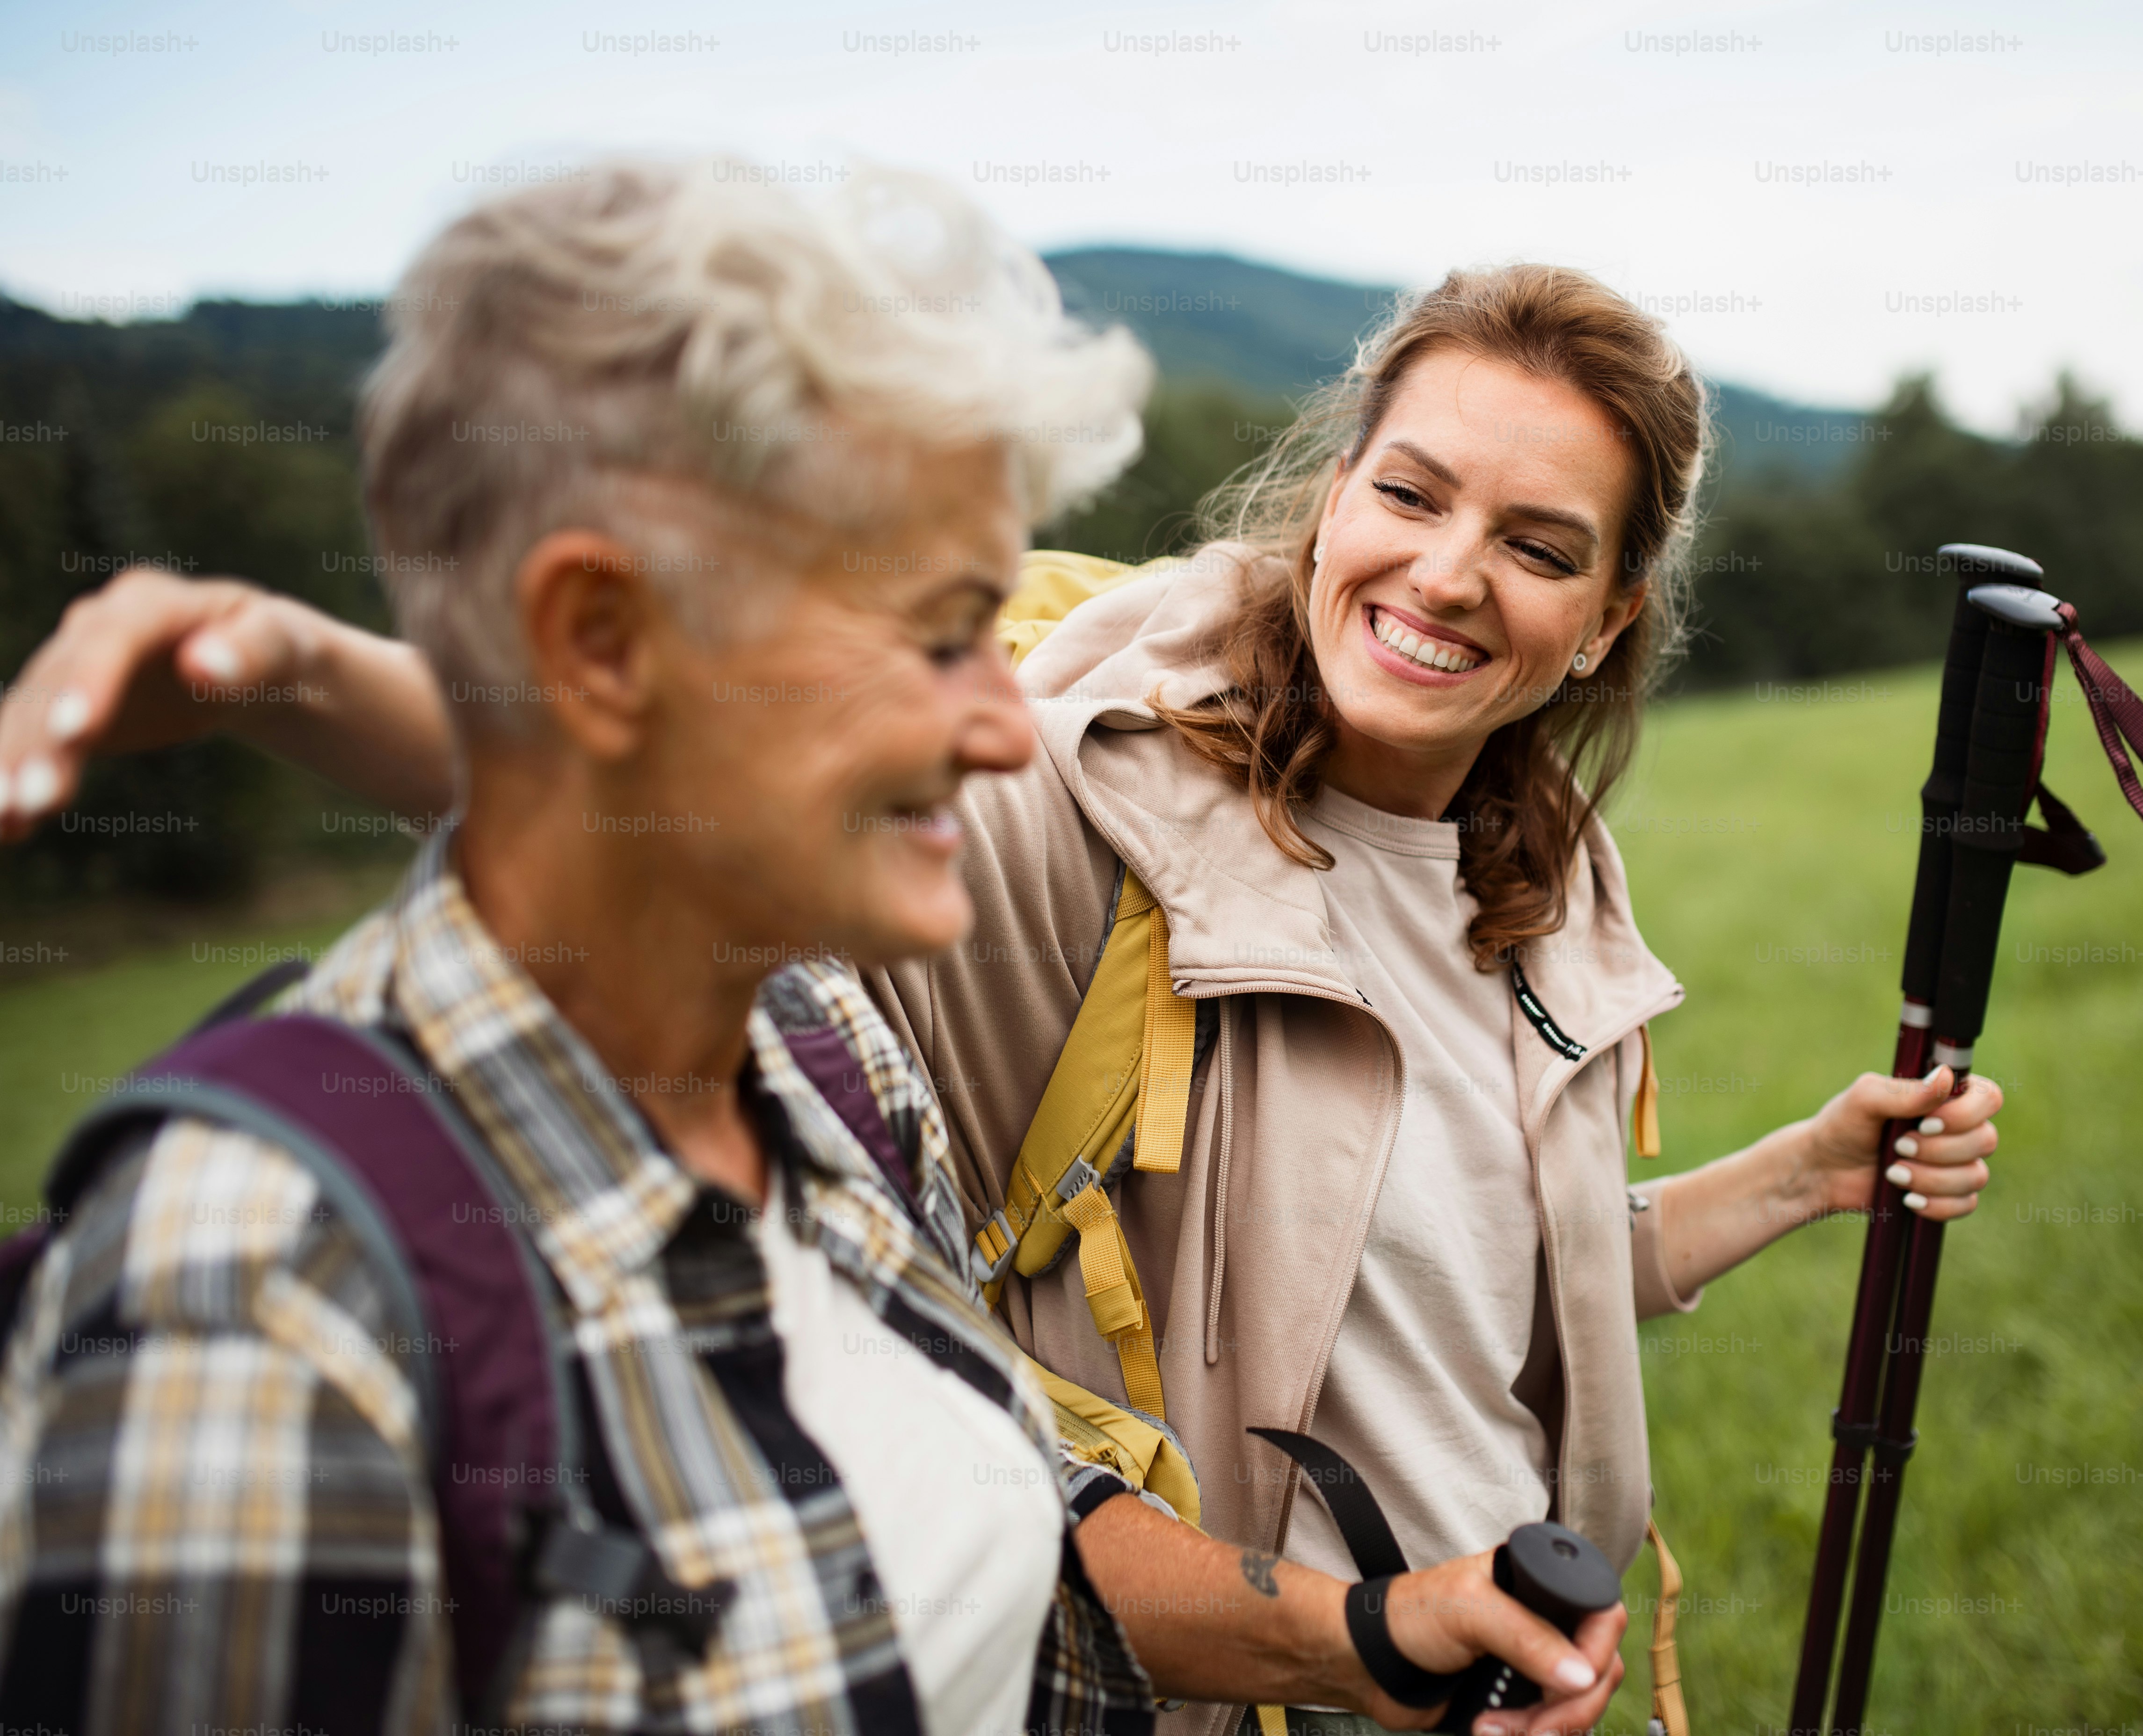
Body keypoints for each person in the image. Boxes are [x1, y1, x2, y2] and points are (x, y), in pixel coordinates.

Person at [0, 255, 2001, 1736]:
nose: (1452, 572)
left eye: (1537, 545)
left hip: (1506, 1674)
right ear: (1337, 495)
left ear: (1604, 622)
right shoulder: (1097, 806)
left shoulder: (1547, 878)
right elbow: (705, 793)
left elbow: (1515, 1271)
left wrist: (1813, 1170)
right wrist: (292, 680)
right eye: (1412, 493)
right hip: (1249, 1680)